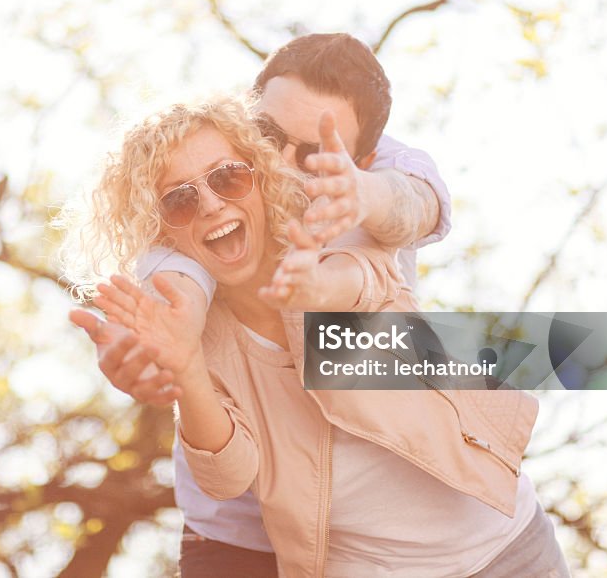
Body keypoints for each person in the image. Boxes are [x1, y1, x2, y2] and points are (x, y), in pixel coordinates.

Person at [68, 96, 569, 577]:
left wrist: (318, 287)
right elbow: (228, 476)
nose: (211, 205)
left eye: (227, 177)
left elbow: (380, 278)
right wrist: (187, 370)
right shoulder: (194, 333)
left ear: (258, 176)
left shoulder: (320, 223)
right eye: (180, 199)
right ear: (161, 232)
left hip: (510, 546)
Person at [74, 33, 453, 576]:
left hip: (368, 536)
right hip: (235, 533)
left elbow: (419, 205)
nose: (280, 162)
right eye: (268, 133)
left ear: (363, 158)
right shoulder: (210, 183)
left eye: (315, 156)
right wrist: (150, 348)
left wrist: (363, 196)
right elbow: (175, 272)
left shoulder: (375, 176)